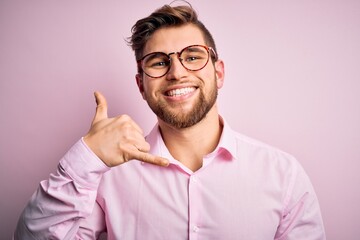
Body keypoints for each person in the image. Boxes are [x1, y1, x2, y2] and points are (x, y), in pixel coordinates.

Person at [14, 2, 326, 240]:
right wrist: (85, 158)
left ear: (218, 73)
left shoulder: (283, 175)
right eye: (159, 62)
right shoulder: (104, 179)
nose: (176, 72)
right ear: (141, 85)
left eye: (192, 56)